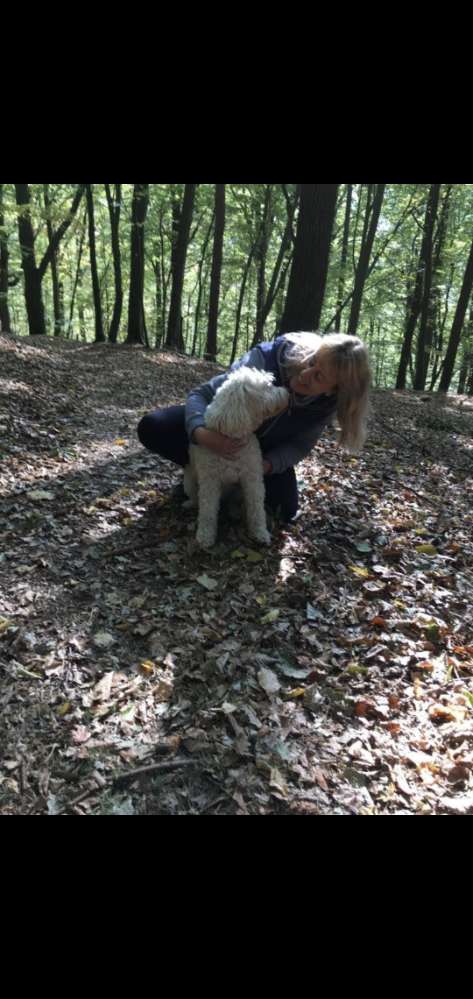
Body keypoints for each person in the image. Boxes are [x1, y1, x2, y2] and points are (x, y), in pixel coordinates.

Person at [137, 331, 371, 523]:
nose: (305, 374)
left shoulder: (325, 406)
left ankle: (230, 491)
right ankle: (201, 475)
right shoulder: (266, 359)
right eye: (312, 362)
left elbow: (300, 445)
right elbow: (202, 394)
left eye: (319, 377)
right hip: (217, 431)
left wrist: (266, 465)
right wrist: (201, 433)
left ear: (333, 390)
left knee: (285, 509)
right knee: (154, 426)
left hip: (261, 452)